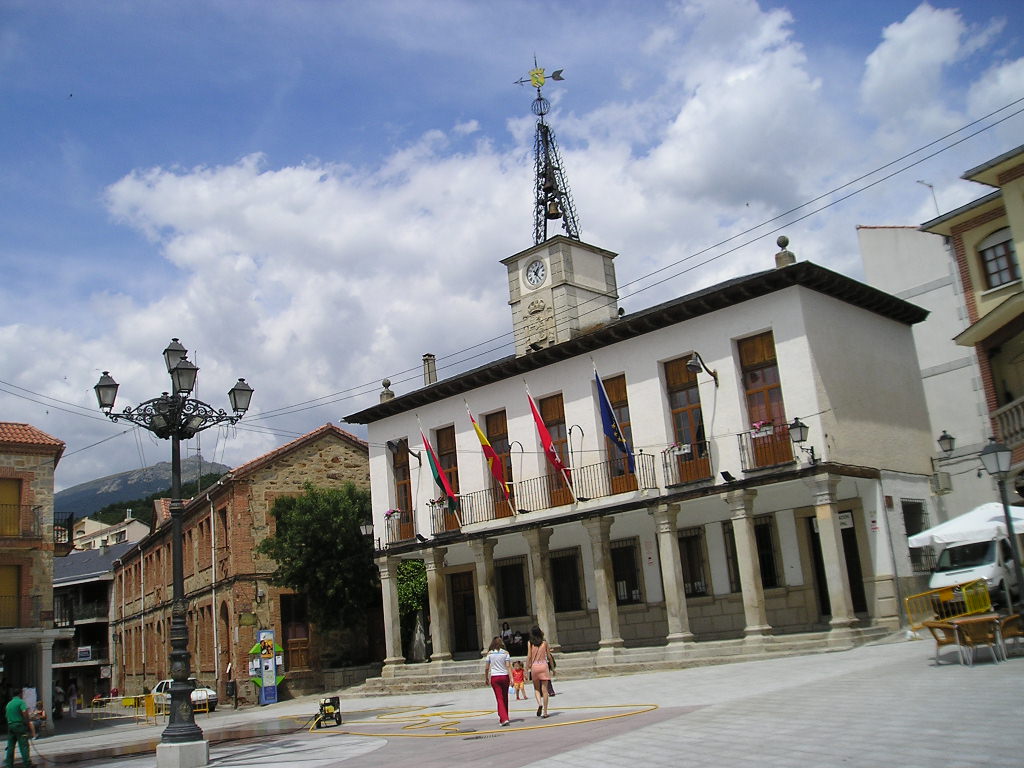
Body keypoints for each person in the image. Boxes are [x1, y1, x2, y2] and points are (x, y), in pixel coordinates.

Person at [483, 636, 512, 727]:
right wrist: (511, 678)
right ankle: (504, 716)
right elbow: (508, 666)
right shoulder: (505, 653)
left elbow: (487, 667)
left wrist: (486, 677)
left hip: (495, 677)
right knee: (505, 697)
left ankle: (504, 718)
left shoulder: (490, 654)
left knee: (499, 698)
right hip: (504, 676)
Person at [526, 625, 553, 718]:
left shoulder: (530, 643)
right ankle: (545, 711)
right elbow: (549, 656)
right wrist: (552, 667)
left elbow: (529, 656)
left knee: (536, 689)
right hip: (544, 666)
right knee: (545, 691)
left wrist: (526, 668)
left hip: (535, 667)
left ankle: (539, 703)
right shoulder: (544, 643)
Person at [4, 688, 31, 768]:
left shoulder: (9, 704)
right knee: (24, 745)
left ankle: (9, 765)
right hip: (19, 726)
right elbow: (25, 713)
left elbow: (6, 716)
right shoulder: (21, 702)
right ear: (20, 694)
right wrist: (27, 723)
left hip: (10, 725)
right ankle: (27, 764)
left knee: (11, 746)